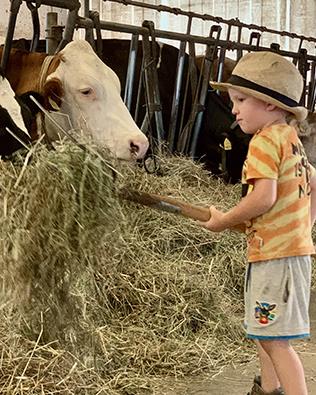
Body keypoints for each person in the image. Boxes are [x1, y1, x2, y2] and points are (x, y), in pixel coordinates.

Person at [201, 51, 316, 395]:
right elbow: (313, 182)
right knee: (264, 332)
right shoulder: (291, 140)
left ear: (268, 104)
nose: (233, 110)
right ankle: (268, 388)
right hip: (286, 252)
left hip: (274, 259)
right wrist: (303, 226)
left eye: (240, 100)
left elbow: (262, 198)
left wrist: (224, 221)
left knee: (278, 342)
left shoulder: (264, 142)